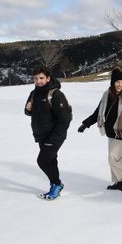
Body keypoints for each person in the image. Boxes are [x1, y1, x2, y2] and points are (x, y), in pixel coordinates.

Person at [77, 68, 122, 192]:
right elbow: (98, 113)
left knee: (112, 158)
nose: (120, 85)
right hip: (111, 133)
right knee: (116, 158)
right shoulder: (107, 96)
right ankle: (119, 182)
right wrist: (86, 124)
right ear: (112, 83)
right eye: (117, 82)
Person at [24, 65, 72, 200]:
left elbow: (65, 118)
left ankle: (57, 184)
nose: (38, 81)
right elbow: (29, 111)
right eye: (35, 78)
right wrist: (28, 109)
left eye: (41, 78)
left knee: (43, 161)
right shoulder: (34, 93)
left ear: (48, 78)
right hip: (41, 134)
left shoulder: (55, 94)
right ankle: (54, 184)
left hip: (54, 135)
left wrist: (54, 138)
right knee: (51, 161)